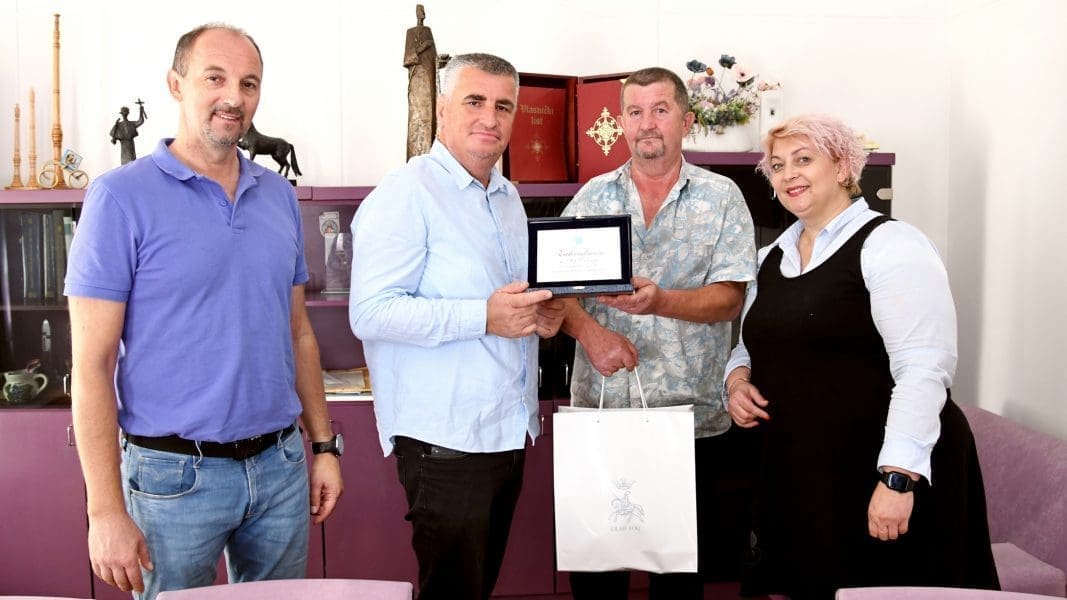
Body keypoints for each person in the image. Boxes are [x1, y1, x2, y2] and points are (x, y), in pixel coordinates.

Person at [65, 24, 343, 600]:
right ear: (176, 84)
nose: (233, 97)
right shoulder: (118, 198)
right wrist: (105, 510)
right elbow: (92, 366)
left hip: (280, 469)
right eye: (214, 78)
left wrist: (323, 447)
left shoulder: (279, 196)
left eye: (249, 83)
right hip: (171, 479)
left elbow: (298, 334)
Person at [723, 114, 1000, 599]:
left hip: (881, 468)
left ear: (843, 167)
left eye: (804, 159)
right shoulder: (770, 257)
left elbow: (923, 367)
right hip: (807, 472)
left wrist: (897, 479)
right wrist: (737, 380)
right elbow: (750, 343)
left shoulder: (891, 244)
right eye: (778, 165)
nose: (789, 174)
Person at [349, 53, 564, 600]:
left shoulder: (507, 197)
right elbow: (370, 312)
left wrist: (539, 314)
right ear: (442, 110)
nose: (490, 117)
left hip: (505, 433)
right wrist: (484, 315)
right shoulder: (406, 192)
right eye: (474, 101)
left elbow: (508, 300)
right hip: (445, 444)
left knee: (476, 589)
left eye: (503, 106)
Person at [559, 67, 757, 599]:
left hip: (691, 425)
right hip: (602, 416)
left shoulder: (722, 197)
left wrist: (661, 300)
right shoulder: (592, 198)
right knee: (597, 581)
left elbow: (731, 299)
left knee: (679, 585)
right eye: (635, 111)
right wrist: (591, 334)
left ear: (686, 121)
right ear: (622, 122)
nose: (647, 123)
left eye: (661, 110)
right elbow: (553, 292)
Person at [404, 4, 437, 160]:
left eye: (423, 11)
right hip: (417, 78)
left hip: (429, 76)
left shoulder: (428, 31)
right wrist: (423, 47)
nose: (422, 14)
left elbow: (434, 58)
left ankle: (430, 155)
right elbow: (408, 58)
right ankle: (416, 157)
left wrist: (441, 62)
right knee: (418, 115)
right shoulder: (411, 32)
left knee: (432, 114)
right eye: (420, 11)